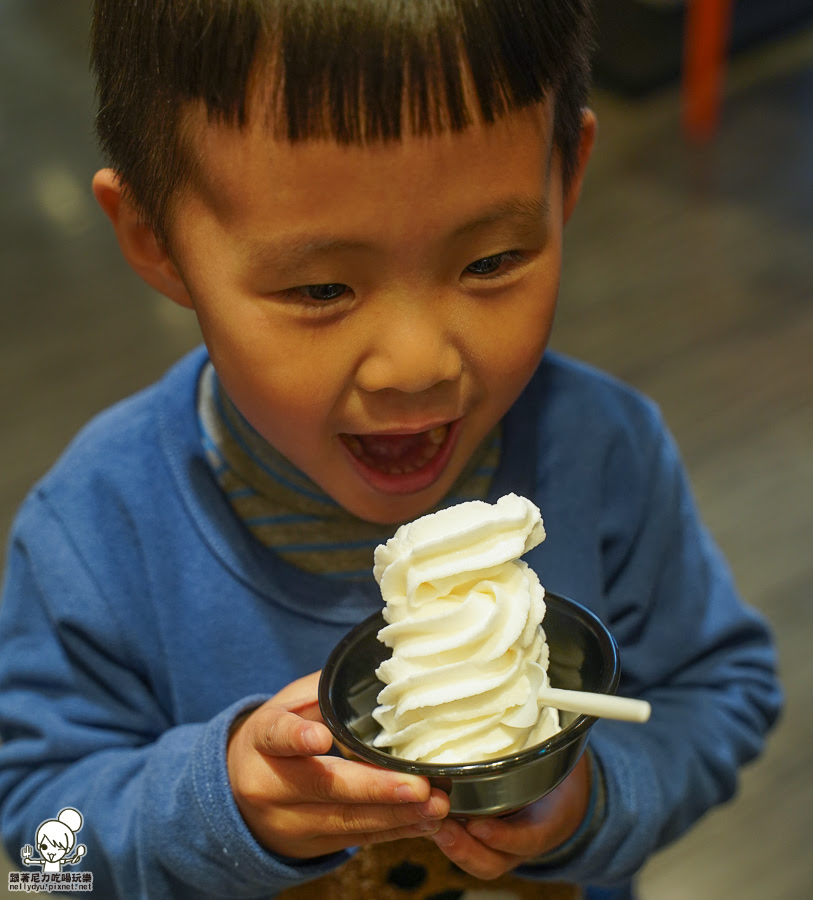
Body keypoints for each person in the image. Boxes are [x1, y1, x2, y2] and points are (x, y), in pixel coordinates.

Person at [0, 0, 781, 898]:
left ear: (566, 180)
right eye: (320, 285)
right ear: (155, 240)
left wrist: (595, 800)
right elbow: (41, 858)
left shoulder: (602, 451)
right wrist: (217, 808)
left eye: (490, 261)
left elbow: (721, 692)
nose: (417, 364)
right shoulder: (98, 524)